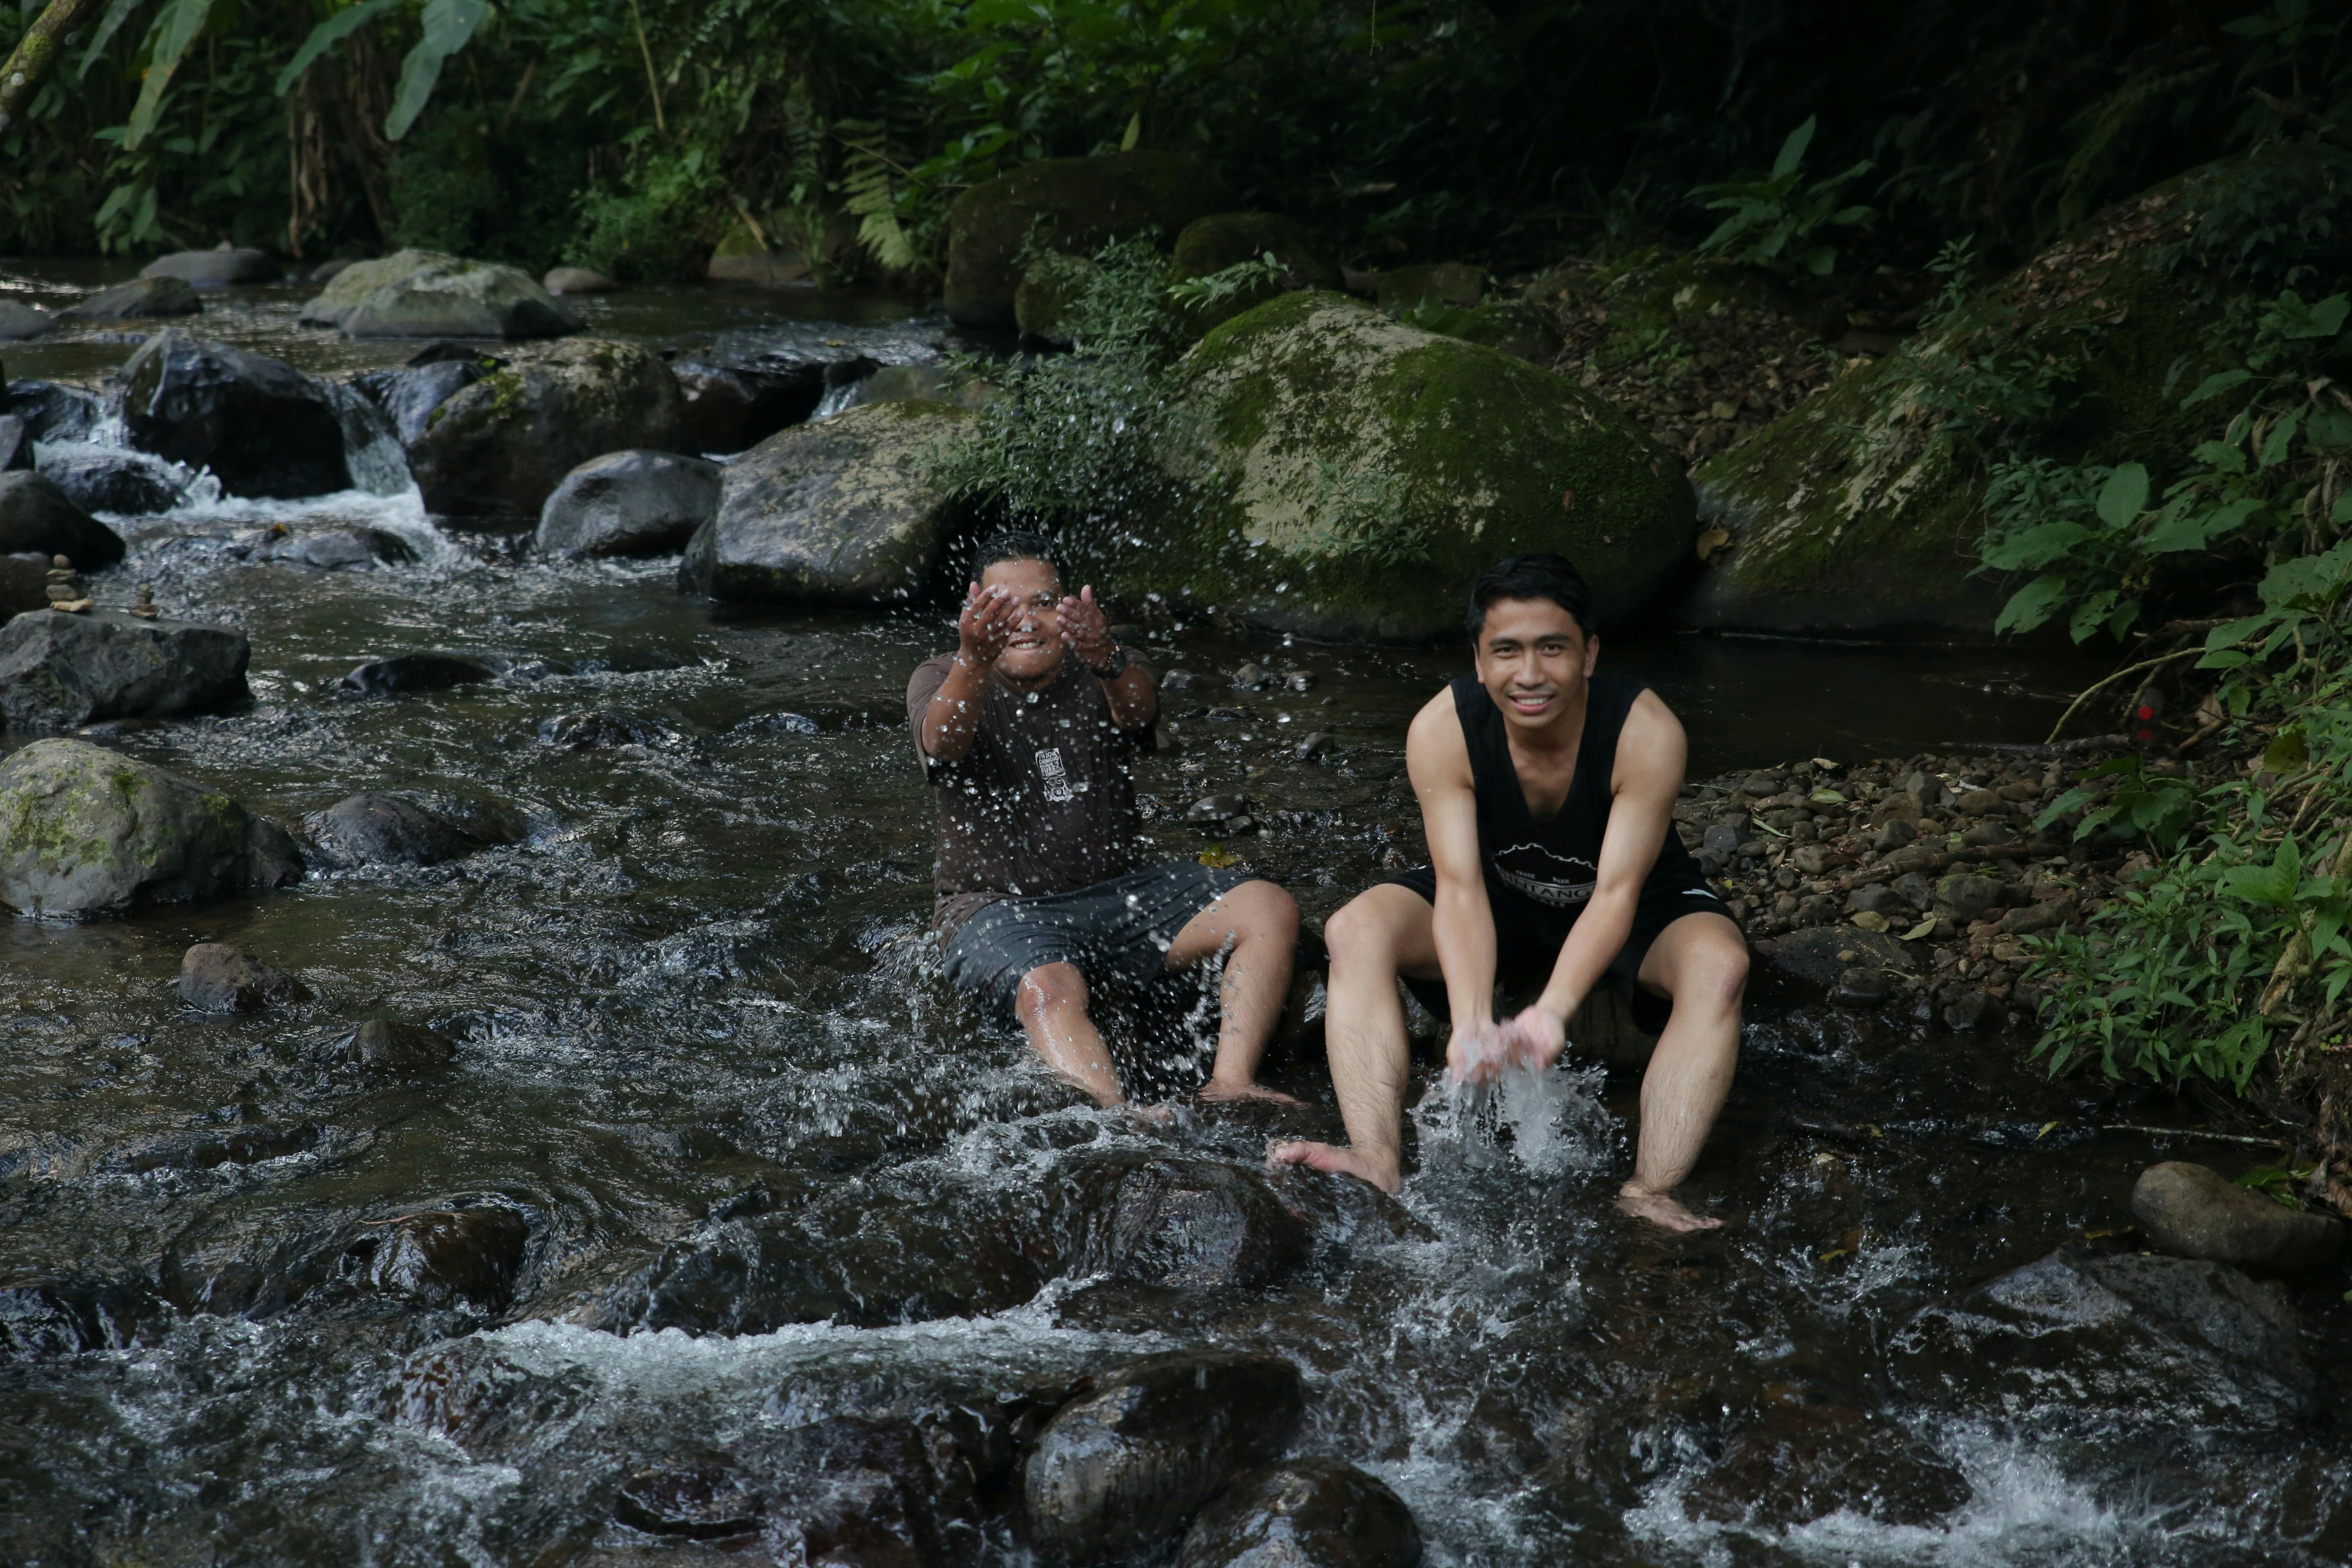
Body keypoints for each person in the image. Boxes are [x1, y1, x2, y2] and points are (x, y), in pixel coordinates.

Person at [1272, 554, 1747, 1231]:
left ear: (1589, 654)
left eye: (1552, 648)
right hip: (1495, 897)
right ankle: (1377, 1156)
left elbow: (1615, 894)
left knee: (1720, 966)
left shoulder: (1645, 732)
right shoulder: (1443, 730)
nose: (1529, 674)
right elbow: (1460, 888)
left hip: (1635, 905)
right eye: (1507, 651)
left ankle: (1649, 1189)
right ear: (1478, 660)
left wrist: (1551, 1011)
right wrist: (1470, 1021)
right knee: (1356, 928)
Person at [909, 530, 1301, 1109]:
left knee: (1269, 906)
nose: (1027, 621)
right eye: (1005, 606)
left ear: (1069, 607)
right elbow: (943, 743)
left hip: (1124, 896)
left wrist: (1108, 659)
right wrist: (973, 659)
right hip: (997, 908)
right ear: (975, 610)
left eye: (1043, 603)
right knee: (1048, 989)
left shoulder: (1102, 659)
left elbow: (1139, 709)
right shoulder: (942, 674)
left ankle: (1232, 1082)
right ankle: (1117, 1118)